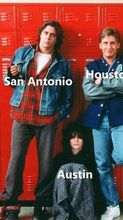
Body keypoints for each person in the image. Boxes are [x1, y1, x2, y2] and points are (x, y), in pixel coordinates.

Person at [0, 20, 72, 220]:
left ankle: (42, 203)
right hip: (22, 115)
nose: (48, 37)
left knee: (46, 164)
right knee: (16, 161)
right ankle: (12, 205)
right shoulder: (22, 53)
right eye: (46, 33)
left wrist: (59, 116)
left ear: (57, 40)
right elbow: (9, 81)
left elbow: (68, 95)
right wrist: (10, 73)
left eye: (53, 35)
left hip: (47, 118)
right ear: (40, 34)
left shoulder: (61, 63)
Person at [82, 27, 123, 220]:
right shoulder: (91, 67)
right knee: (102, 166)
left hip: (120, 118)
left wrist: (102, 82)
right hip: (98, 120)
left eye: (112, 42)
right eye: (105, 43)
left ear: (118, 45)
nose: (109, 46)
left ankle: (112, 201)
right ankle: (112, 205)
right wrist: (116, 88)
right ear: (100, 45)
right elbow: (89, 93)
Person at [53, 122, 105, 220]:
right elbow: (56, 186)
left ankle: (77, 212)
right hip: (65, 199)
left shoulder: (91, 160)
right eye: (73, 137)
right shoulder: (59, 159)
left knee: (80, 169)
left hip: (85, 200)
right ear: (68, 140)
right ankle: (65, 212)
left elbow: (95, 186)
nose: (76, 140)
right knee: (63, 169)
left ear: (84, 140)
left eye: (79, 137)